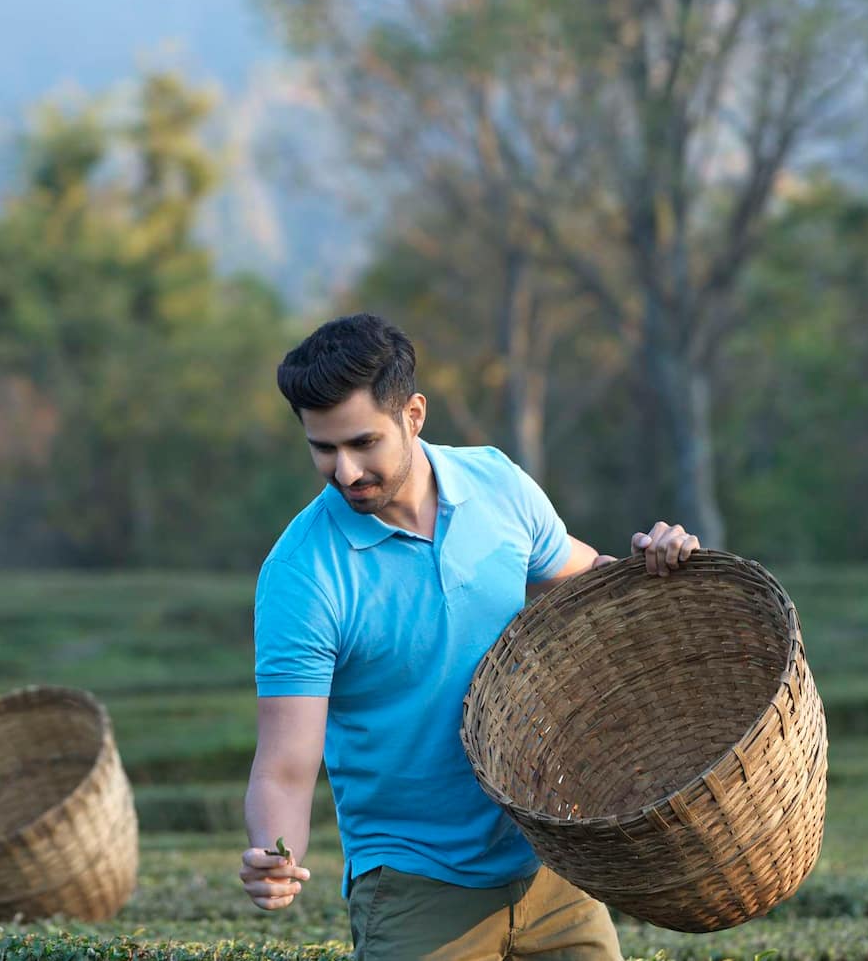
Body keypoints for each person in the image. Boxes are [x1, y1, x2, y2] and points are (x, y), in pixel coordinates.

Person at [239, 314, 701, 960]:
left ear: (415, 413)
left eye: (363, 442)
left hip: (550, 859)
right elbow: (286, 765)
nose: (344, 472)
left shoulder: (498, 484)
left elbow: (585, 583)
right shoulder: (302, 574)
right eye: (323, 448)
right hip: (414, 886)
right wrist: (273, 852)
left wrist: (656, 560)